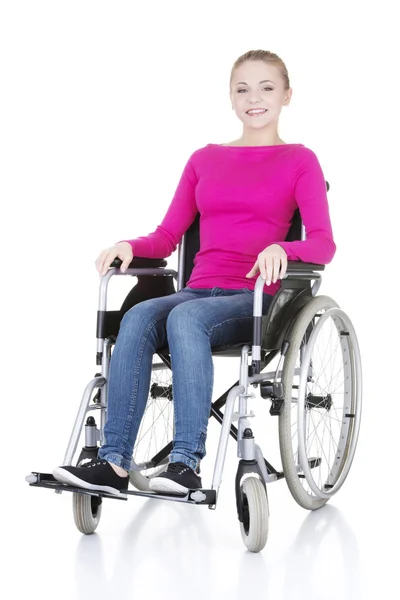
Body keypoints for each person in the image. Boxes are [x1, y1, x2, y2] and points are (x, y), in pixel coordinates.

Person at [52, 49, 336, 497]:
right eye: (242, 88)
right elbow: (167, 237)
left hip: (257, 299)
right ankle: (113, 463)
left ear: (286, 96)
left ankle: (185, 464)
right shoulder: (204, 160)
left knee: (186, 319)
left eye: (266, 87)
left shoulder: (300, 160)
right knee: (140, 316)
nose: (254, 98)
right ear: (230, 97)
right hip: (200, 289)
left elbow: (323, 243)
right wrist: (129, 245)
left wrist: (284, 246)